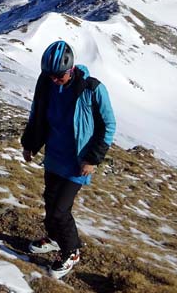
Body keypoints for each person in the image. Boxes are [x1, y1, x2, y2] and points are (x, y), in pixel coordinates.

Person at [20, 40, 116, 279]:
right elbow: (37, 114)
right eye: (50, 76)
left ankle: (71, 252)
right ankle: (54, 238)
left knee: (60, 211)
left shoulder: (92, 89)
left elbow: (109, 125)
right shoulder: (46, 83)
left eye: (59, 76)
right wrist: (29, 144)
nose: (54, 80)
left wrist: (93, 158)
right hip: (54, 155)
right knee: (50, 201)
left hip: (77, 162)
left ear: (70, 69)